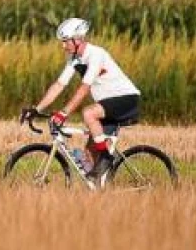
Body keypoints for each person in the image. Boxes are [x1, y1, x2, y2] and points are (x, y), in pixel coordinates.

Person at [30, 17, 142, 177]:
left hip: (127, 99)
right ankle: (98, 192)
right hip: (107, 104)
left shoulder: (96, 54)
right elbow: (59, 85)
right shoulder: (74, 59)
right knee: (89, 155)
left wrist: (63, 113)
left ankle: (106, 157)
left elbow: (84, 89)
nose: (63, 46)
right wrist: (36, 109)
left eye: (65, 41)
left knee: (89, 113)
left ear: (77, 39)